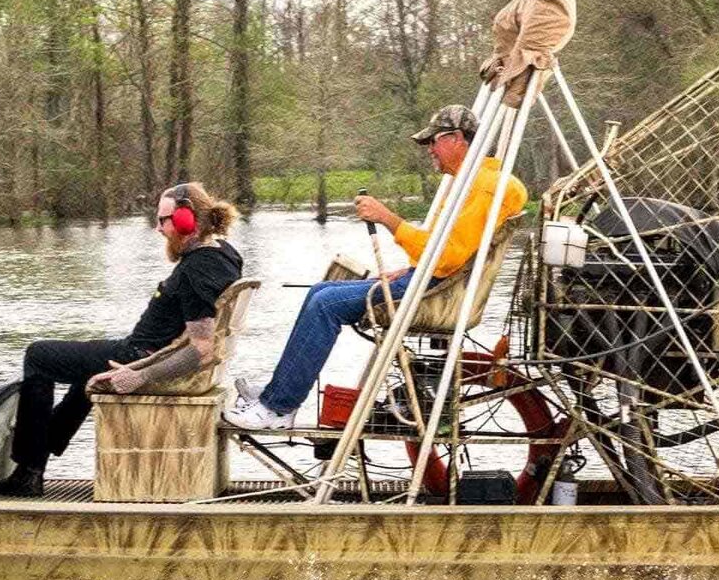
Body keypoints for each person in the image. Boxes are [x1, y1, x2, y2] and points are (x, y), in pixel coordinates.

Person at [224, 103, 528, 430]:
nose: (429, 150)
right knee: (320, 291)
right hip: (428, 279)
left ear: (457, 138)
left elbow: (446, 257)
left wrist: (387, 218)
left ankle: (278, 408)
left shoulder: (483, 185)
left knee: (325, 305)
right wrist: (411, 267)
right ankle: (278, 393)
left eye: (433, 141)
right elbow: (445, 250)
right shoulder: (468, 182)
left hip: (435, 292)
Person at [0, 182, 243, 497]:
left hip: (140, 356)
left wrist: (139, 375)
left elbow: (202, 350)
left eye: (163, 219)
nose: (158, 228)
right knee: (85, 365)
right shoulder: (222, 251)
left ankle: (29, 469)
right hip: (142, 349)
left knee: (38, 356)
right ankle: (38, 457)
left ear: (187, 219)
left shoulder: (199, 267)